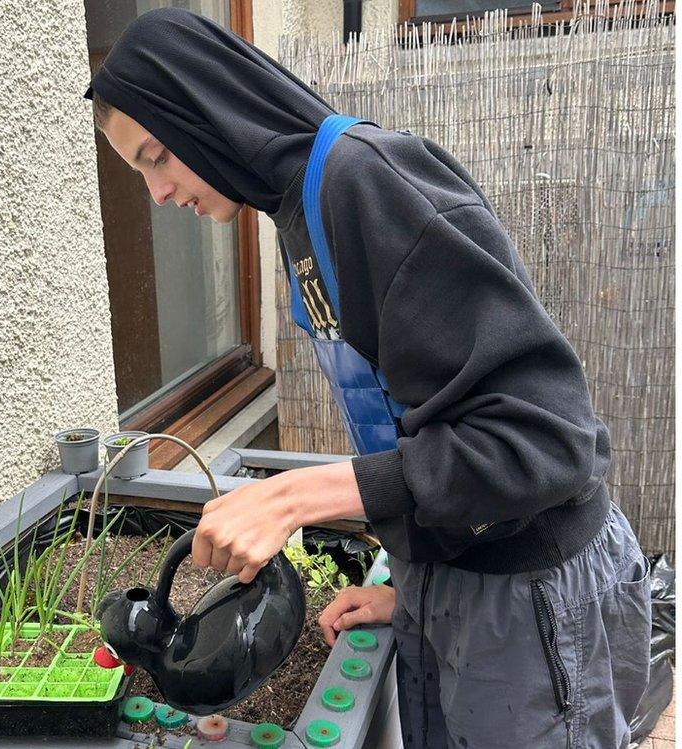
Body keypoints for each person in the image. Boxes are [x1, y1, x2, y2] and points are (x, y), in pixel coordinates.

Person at [83, 8, 652, 748]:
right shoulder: (298, 212)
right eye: (138, 172)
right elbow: (428, 416)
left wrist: (291, 496)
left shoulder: (366, 182)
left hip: (530, 594)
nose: (157, 193)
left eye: (157, 155)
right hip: (454, 580)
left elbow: (546, 442)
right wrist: (413, 589)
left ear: (206, 111)